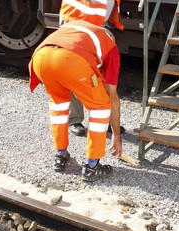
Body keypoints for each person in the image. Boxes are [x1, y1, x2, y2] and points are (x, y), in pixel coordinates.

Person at [59, 0, 173, 137]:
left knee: (101, 74)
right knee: (75, 71)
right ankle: (75, 120)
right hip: (75, 24)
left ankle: (103, 120)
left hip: (99, 26)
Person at [29, 20, 123, 180]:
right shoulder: (110, 46)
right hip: (70, 59)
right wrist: (116, 135)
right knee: (101, 107)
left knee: (59, 104)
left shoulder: (79, 28)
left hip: (41, 57)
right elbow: (112, 97)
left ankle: (60, 156)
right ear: (111, 37)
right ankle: (92, 166)